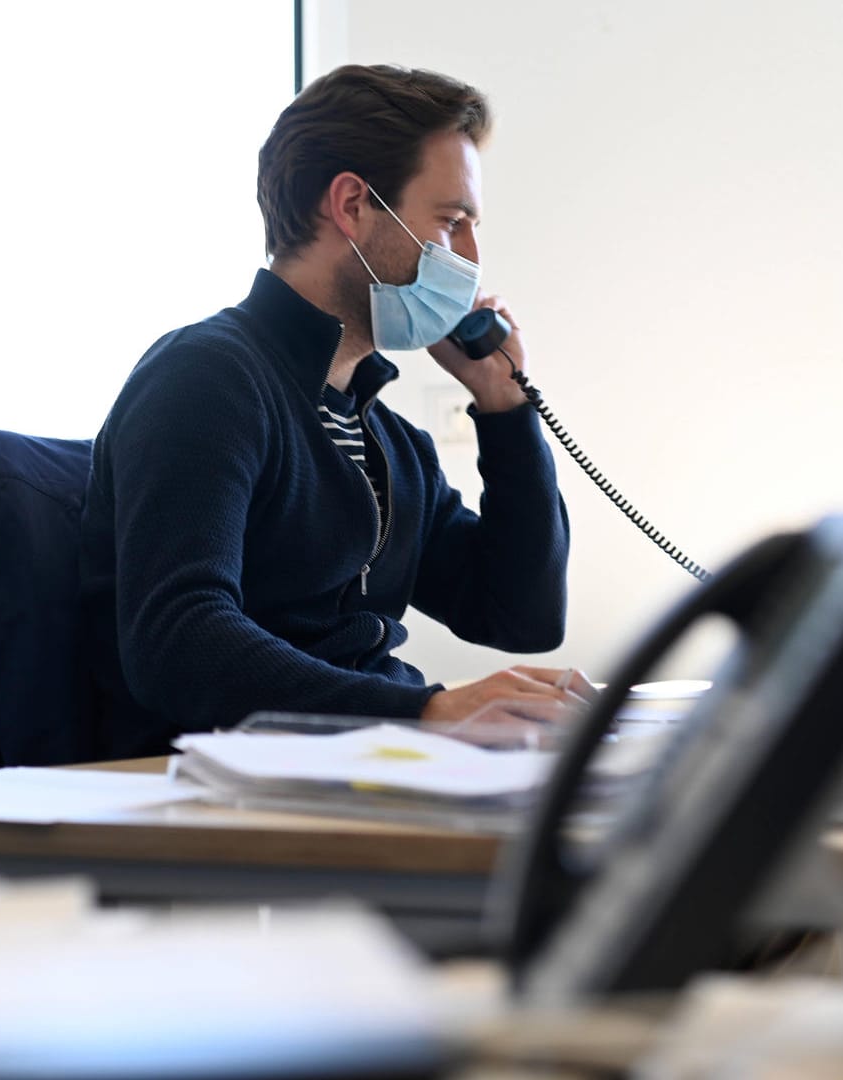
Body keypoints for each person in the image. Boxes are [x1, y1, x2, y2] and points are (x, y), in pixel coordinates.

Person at [75, 64, 584, 760]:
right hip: (224, 791)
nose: (471, 258)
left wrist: (504, 408)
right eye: (452, 221)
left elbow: (521, 614)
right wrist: (425, 711)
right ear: (351, 206)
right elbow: (179, 640)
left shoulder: (383, 438)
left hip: (354, 765)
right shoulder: (208, 377)